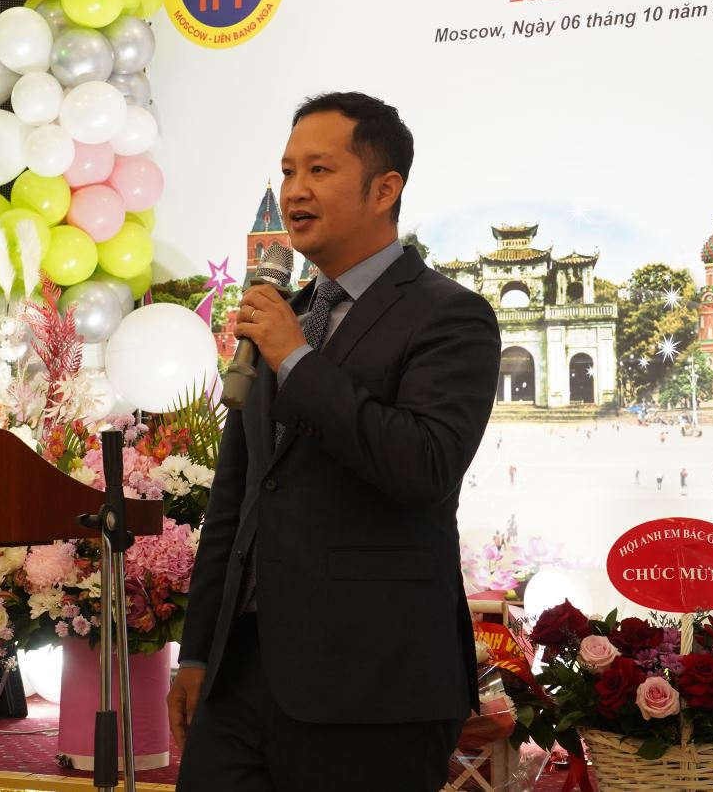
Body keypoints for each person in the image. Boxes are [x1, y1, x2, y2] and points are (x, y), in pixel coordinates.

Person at [168, 92, 501, 792]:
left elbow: (423, 465)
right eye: (288, 171)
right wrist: (197, 652)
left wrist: (298, 361)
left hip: (373, 682)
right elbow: (238, 497)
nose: (295, 190)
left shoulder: (450, 316)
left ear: (385, 189)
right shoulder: (281, 317)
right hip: (240, 673)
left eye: (319, 170)